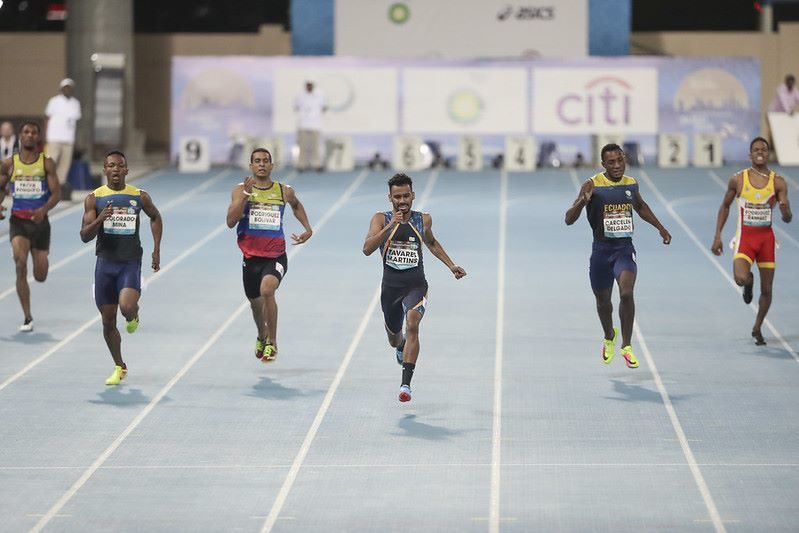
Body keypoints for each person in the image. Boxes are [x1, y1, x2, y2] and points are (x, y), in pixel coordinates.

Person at [565, 143, 671, 368]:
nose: (616, 165)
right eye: (611, 162)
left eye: (620, 160)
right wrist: (582, 202)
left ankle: (627, 345)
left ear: (625, 159)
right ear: (603, 164)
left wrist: (660, 228)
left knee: (626, 293)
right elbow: (568, 219)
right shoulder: (592, 184)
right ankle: (609, 336)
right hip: (600, 253)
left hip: (624, 250)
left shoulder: (631, 183)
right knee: (603, 302)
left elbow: (641, 206)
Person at [362, 173, 467, 402]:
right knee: (394, 339)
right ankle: (400, 346)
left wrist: (451, 265)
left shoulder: (423, 220)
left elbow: (431, 242)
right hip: (390, 289)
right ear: (390, 198)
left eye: (406, 196)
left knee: (412, 323)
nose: (402, 201)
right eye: (397, 197)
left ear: (413, 195)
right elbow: (367, 249)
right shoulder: (381, 219)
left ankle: (405, 385)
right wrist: (391, 225)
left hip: (416, 286)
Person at [80, 151, 162, 385]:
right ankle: (119, 366)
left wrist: (156, 249)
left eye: (119, 166)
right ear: (104, 170)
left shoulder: (139, 196)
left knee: (126, 307)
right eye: (111, 165)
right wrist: (100, 219)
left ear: (126, 170)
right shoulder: (94, 199)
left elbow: (155, 217)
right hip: (105, 264)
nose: (115, 169)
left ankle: (133, 314)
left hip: (129, 262)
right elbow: (84, 236)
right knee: (108, 321)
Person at [226, 147, 313, 363]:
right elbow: (230, 221)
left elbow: (296, 205)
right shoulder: (240, 190)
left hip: (275, 255)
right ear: (251, 166)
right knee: (256, 307)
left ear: (272, 166)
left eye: (265, 160)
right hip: (250, 258)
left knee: (267, 290)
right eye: (257, 161)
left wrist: (307, 228)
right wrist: (245, 196)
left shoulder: (284, 191)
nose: (262, 164)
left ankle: (272, 342)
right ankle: (261, 335)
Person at [711, 137, 792, 346]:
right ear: (750, 155)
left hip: (766, 241)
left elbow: (787, 217)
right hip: (745, 239)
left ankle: (757, 326)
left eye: (764, 150)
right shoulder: (738, 180)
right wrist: (718, 236)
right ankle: (748, 282)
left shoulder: (778, 182)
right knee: (740, 277)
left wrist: (785, 211)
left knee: (767, 290)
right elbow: (725, 206)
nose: (760, 153)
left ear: (768, 154)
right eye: (756, 150)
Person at [0, 121, 60, 332]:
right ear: (20, 135)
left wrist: (43, 210)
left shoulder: (46, 163)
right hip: (18, 222)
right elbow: (1, 188)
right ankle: (27, 317)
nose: (30, 135)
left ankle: (42, 257)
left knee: (40, 275)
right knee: (20, 264)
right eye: (26, 132)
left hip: (40, 224)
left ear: (38, 137)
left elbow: (56, 194)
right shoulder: (9, 164)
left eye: (34, 132)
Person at [45, 78, 82, 199]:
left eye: (69, 88)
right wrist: (46, 135)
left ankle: (60, 186)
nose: (67, 90)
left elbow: (76, 121)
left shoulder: (75, 103)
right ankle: (47, 183)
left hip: (68, 138)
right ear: (61, 89)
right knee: (52, 161)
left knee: (65, 164)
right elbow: (47, 117)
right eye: (65, 87)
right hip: (54, 137)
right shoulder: (54, 101)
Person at [293, 81, 327, 171]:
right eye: (308, 85)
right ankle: (302, 164)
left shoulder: (319, 95)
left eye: (311, 85)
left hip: (315, 124)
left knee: (315, 146)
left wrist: (315, 114)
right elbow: (296, 107)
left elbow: (324, 107)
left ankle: (317, 164)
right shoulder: (300, 95)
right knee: (302, 145)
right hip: (303, 124)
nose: (309, 87)